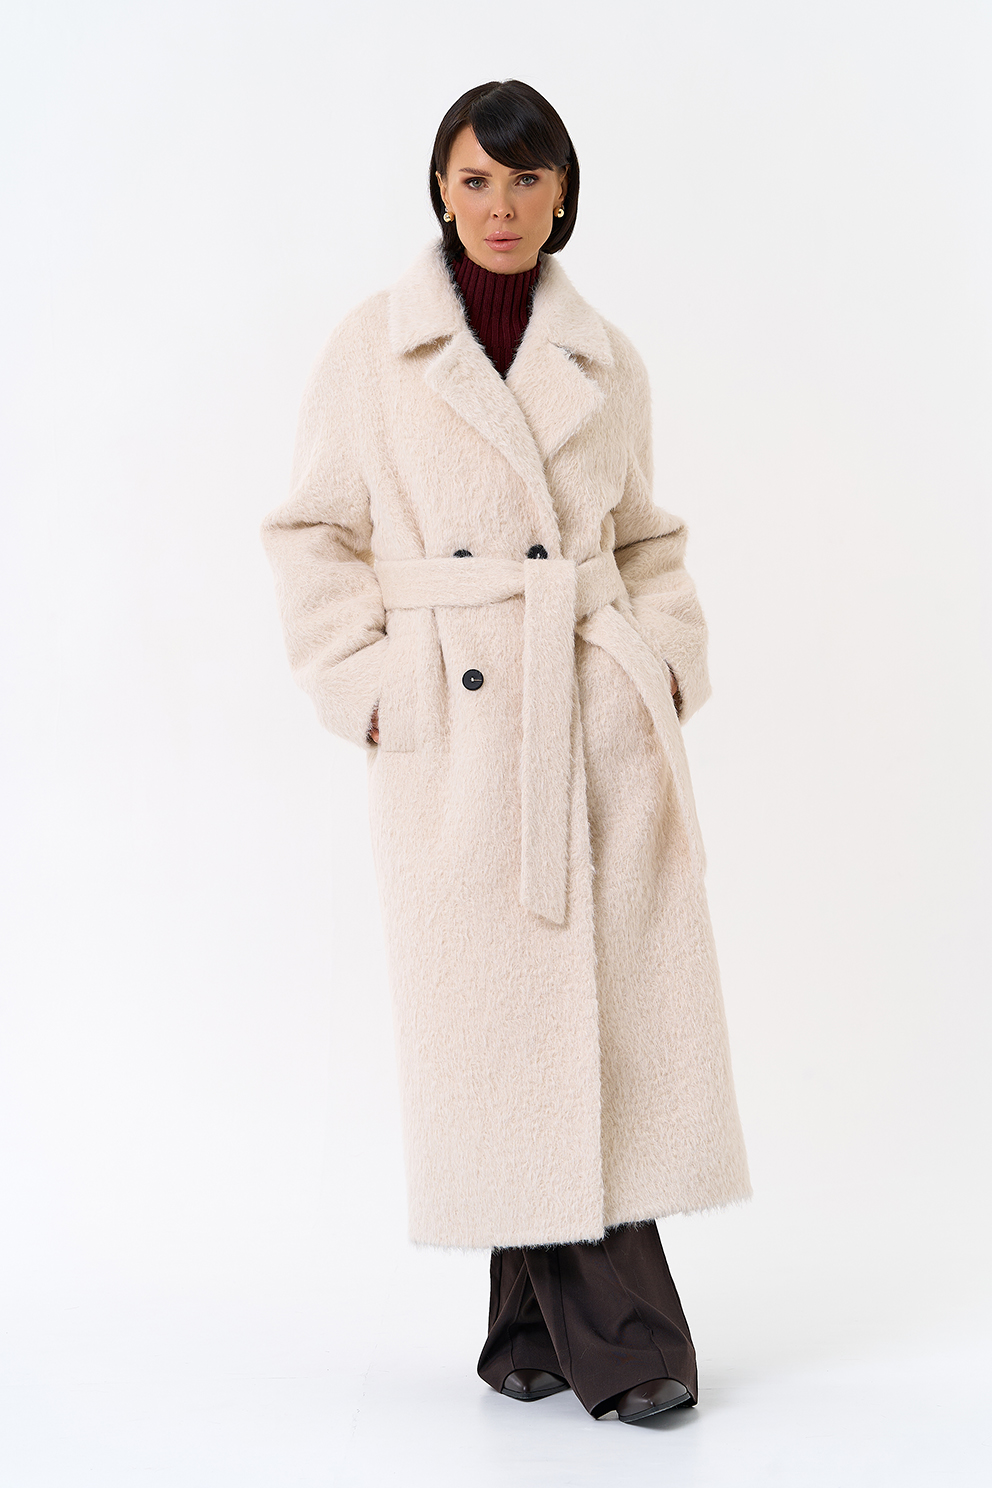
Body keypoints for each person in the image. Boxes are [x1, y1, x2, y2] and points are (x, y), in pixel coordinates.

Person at [261, 79, 751, 1425]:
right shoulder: (375, 350)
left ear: (562, 195)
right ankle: (628, 1343)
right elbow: (311, 534)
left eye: (526, 181)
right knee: (500, 1029)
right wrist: (371, 686)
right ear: (440, 188)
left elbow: (648, 540)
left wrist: (662, 665)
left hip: (592, 724)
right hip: (460, 738)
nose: (500, 206)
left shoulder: (607, 358)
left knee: (600, 1029)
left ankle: (534, 1333)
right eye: (475, 179)